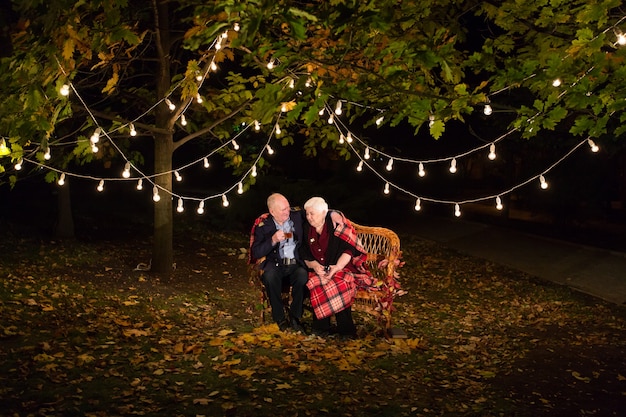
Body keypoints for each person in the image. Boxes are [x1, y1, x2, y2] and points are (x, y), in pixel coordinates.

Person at [299, 197, 374, 339]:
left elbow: (349, 249)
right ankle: (321, 328)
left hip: (340, 266)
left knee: (340, 283)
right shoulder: (306, 227)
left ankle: (346, 330)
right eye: (307, 213)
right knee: (318, 283)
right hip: (316, 269)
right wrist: (314, 265)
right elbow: (302, 250)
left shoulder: (336, 225)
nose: (309, 217)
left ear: (323, 213)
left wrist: (337, 267)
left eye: (312, 214)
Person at [249, 193, 308, 333]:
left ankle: (295, 317)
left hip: (295, 263)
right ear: (272, 211)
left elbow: (317, 210)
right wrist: (273, 240)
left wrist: (335, 214)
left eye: (288, 208)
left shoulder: (297, 216)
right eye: (283, 210)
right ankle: (280, 318)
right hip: (275, 264)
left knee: (302, 276)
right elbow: (256, 252)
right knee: (270, 277)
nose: (287, 212)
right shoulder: (263, 226)